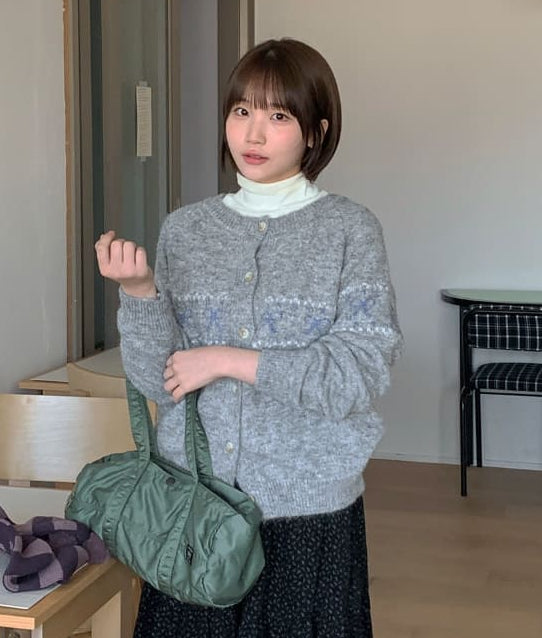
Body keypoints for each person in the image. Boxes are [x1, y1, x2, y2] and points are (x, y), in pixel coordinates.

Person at [95, 37, 402, 638]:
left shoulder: (350, 230)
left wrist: (229, 360)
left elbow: (359, 372)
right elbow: (157, 380)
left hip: (304, 512)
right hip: (194, 507)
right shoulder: (184, 230)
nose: (253, 134)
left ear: (315, 132)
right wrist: (139, 292)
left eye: (278, 116)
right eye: (241, 111)